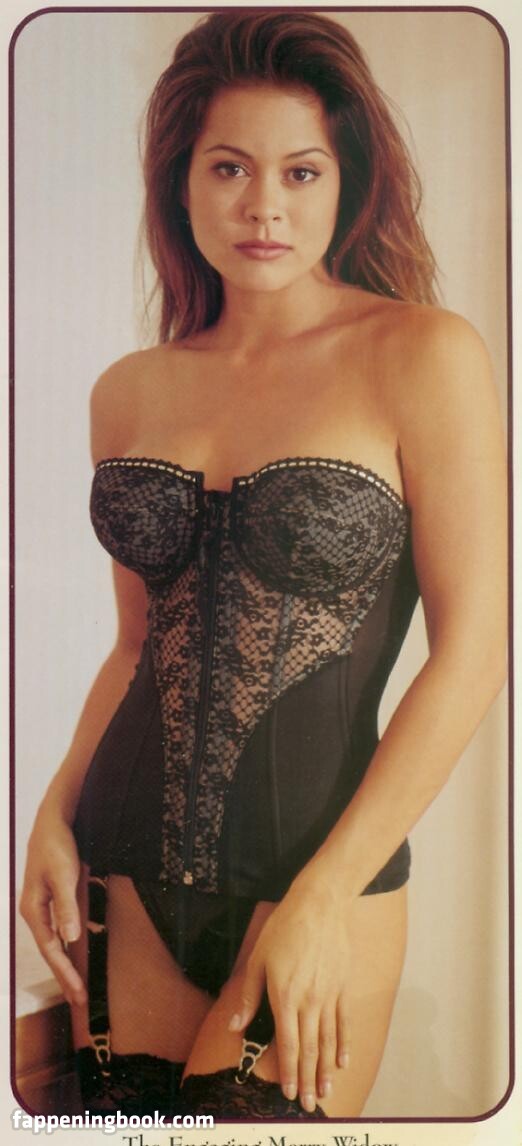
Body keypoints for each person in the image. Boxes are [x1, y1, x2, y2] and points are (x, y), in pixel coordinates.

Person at [20, 9, 507, 1121]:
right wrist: (52, 808)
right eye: (230, 167)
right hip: (123, 874)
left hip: (321, 873)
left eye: (301, 170)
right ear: (181, 181)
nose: (264, 206)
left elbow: (474, 654)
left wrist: (326, 895)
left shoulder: (421, 354)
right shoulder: (130, 389)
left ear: (347, 183)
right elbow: (138, 645)